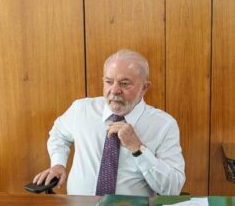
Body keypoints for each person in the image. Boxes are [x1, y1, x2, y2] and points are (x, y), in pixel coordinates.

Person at [33, 49, 185, 196]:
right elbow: (59, 134)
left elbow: (173, 188)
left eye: (124, 84)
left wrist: (138, 149)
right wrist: (58, 163)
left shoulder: (164, 125)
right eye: (109, 82)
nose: (114, 90)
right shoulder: (81, 110)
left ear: (144, 88)